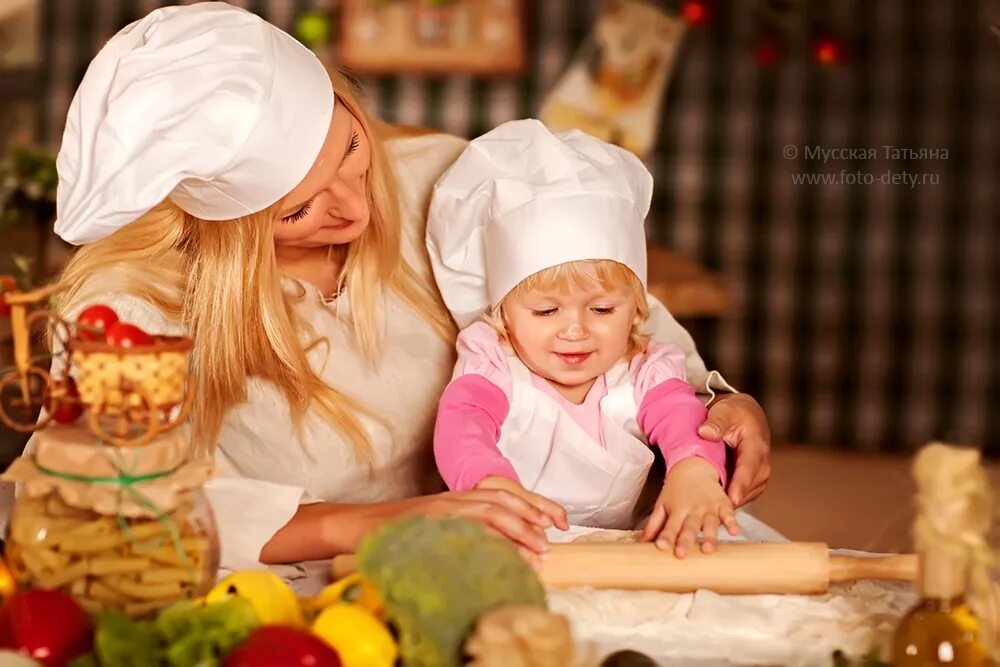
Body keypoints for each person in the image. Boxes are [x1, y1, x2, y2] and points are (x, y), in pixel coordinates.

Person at [0, 2, 771, 584]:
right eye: (299, 210)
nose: (355, 207)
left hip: (555, 547)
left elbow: (617, 303)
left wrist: (719, 402)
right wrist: (377, 522)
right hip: (322, 587)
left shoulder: (446, 176)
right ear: (222, 223)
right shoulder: (131, 305)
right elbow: (117, 506)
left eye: (349, 147)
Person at [429, 120, 737, 558]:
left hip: (621, 551)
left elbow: (680, 414)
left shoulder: (644, 367)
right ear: (504, 314)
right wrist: (487, 483)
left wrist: (694, 471)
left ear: (635, 310)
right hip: (507, 542)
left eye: (602, 309)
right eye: (546, 311)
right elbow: (465, 419)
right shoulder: (493, 360)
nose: (575, 330)